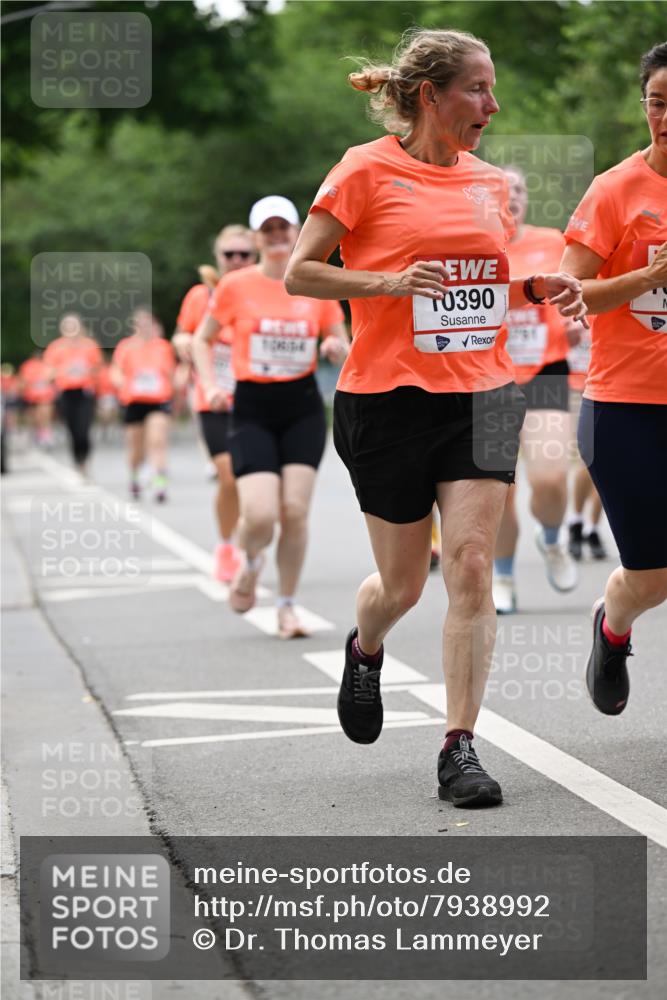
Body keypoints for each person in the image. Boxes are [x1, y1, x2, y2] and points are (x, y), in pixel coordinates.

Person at [285, 28, 586, 806]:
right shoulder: (363, 170)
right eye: (478, 89)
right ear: (430, 96)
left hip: (483, 390)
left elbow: (478, 281)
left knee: (472, 565)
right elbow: (301, 273)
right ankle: (367, 643)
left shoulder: (488, 183)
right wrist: (387, 285)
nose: (492, 104)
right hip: (384, 398)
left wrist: (530, 291)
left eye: (491, 89)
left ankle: (459, 747)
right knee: (402, 583)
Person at [561, 41, 667, 715]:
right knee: (652, 577)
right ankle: (612, 622)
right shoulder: (615, 190)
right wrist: (648, 278)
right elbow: (570, 292)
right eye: (657, 103)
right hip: (625, 406)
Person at [193, 196, 348, 639]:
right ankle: (251, 561)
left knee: (294, 512)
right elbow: (204, 341)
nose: (278, 236)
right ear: (258, 237)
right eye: (269, 229)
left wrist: (335, 348)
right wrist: (208, 384)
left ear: (299, 231)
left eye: (285, 228)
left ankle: (286, 605)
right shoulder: (236, 285)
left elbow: (340, 338)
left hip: (302, 408)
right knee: (260, 516)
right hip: (253, 408)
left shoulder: (314, 281)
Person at [492, 166, 580, 614]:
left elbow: (575, 295)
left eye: (520, 189)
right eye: (504, 191)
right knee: (498, 491)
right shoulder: (476, 245)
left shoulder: (552, 242)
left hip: (545, 369)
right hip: (487, 376)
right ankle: (502, 575)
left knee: (548, 475)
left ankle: (552, 539)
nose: (513, 197)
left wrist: (576, 323)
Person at [174, 225, 256, 582]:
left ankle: (249, 541)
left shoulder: (262, 291)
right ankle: (226, 546)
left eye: (244, 254)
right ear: (218, 257)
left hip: (255, 397)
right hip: (214, 399)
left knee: (254, 480)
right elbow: (182, 331)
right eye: (230, 254)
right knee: (228, 476)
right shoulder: (201, 295)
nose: (237, 260)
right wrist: (182, 343)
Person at [111, 308, 177, 502]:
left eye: (148, 323)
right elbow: (116, 371)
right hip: (134, 401)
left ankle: (160, 484)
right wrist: (121, 383)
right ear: (135, 326)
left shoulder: (163, 347)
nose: (145, 327)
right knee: (136, 447)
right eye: (140, 323)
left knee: (158, 441)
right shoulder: (125, 347)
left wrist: (174, 393)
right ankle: (134, 477)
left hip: (158, 400)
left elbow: (170, 373)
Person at [566, 324, 607, 561]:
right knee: (588, 459)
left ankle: (592, 527)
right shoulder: (563, 299)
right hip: (575, 388)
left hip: (608, 387)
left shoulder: (612, 296)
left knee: (610, 464)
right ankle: (576, 520)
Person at [43, 314, 102, 473]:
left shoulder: (90, 346)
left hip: (84, 392)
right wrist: (64, 370)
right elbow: (48, 373)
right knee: (72, 429)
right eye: (68, 326)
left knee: (84, 428)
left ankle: (84, 460)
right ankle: (77, 460)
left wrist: (87, 370)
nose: (71, 329)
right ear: (62, 329)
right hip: (66, 392)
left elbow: (99, 369)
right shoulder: (55, 347)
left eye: (74, 325)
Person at [18, 351, 56, 448]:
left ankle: (45, 434)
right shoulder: (30, 366)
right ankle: (41, 433)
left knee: (43, 414)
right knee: (39, 416)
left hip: (43, 396)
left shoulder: (45, 365)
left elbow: (52, 379)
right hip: (34, 396)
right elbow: (24, 381)